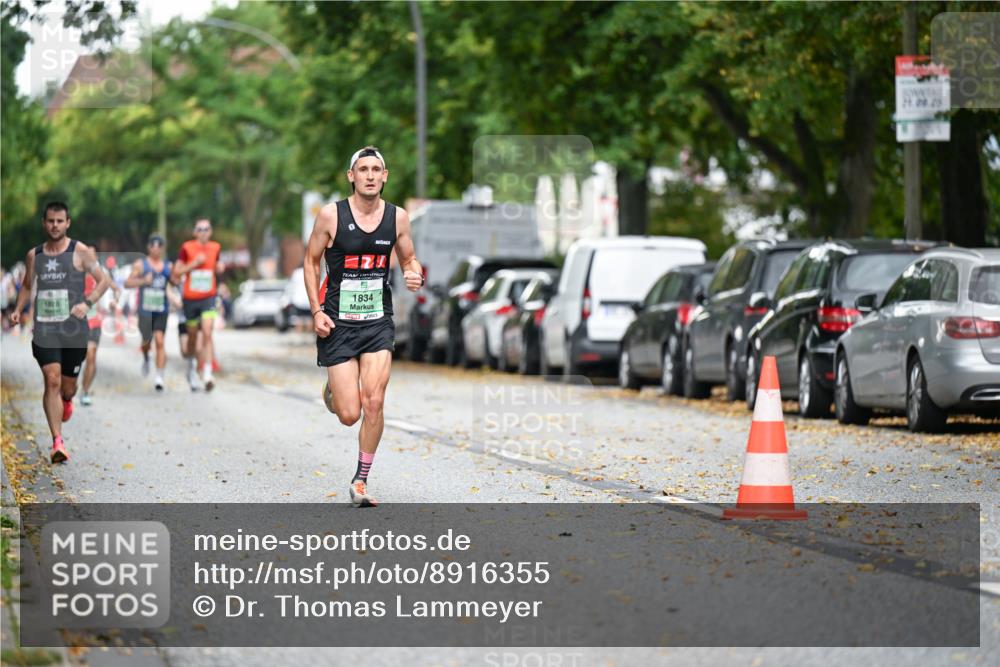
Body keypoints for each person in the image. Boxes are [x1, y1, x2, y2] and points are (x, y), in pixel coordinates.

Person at [304, 146, 424, 507]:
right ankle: (334, 392)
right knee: (349, 414)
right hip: (337, 322)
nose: (370, 175)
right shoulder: (331, 216)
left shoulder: (398, 218)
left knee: (374, 402)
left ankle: (360, 479)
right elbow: (310, 264)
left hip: (377, 322)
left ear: (385, 176)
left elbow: (409, 257)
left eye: (376, 169)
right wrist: (315, 311)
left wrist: (413, 272)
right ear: (351, 176)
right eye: (363, 169)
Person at [10, 202, 111, 463]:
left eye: (60, 221)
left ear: (68, 223)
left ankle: (67, 400)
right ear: (44, 223)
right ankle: (57, 441)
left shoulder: (81, 251)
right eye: (51, 221)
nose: (55, 225)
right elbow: (26, 284)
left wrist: (87, 303)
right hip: (45, 328)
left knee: (67, 388)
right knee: (51, 379)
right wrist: (18, 309)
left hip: (74, 330)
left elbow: (104, 281)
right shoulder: (35, 255)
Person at [172, 219, 224, 391]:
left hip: (208, 297)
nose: (203, 232)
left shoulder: (216, 247)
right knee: (193, 337)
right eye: (199, 229)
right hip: (190, 298)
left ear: (211, 232)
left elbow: (216, 265)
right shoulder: (187, 248)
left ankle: (208, 374)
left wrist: (219, 267)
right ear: (195, 232)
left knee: (208, 332)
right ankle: (192, 365)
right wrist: (194, 264)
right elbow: (177, 272)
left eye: (206, 229)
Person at [125, 235, 173, 390]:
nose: (156, 248)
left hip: (161, 310)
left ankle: (159, 377)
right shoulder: (141, 265)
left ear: (163, 248)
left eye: (159, 246)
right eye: (153, 245)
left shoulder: (167, 267)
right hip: (145, 310)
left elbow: (173, 284)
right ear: (148, 247)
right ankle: (146, 357)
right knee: (146, 340)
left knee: (160, 341)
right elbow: (127, 283)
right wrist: (143, 281)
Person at [79, 264, 122, 406]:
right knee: (74, 358)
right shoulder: (71, 273)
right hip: (74, 323)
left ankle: (85, 391)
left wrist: (113, 302)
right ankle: (69, 387)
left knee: (91, 354)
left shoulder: (100, 275)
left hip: (93, 321)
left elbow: (117, 289)